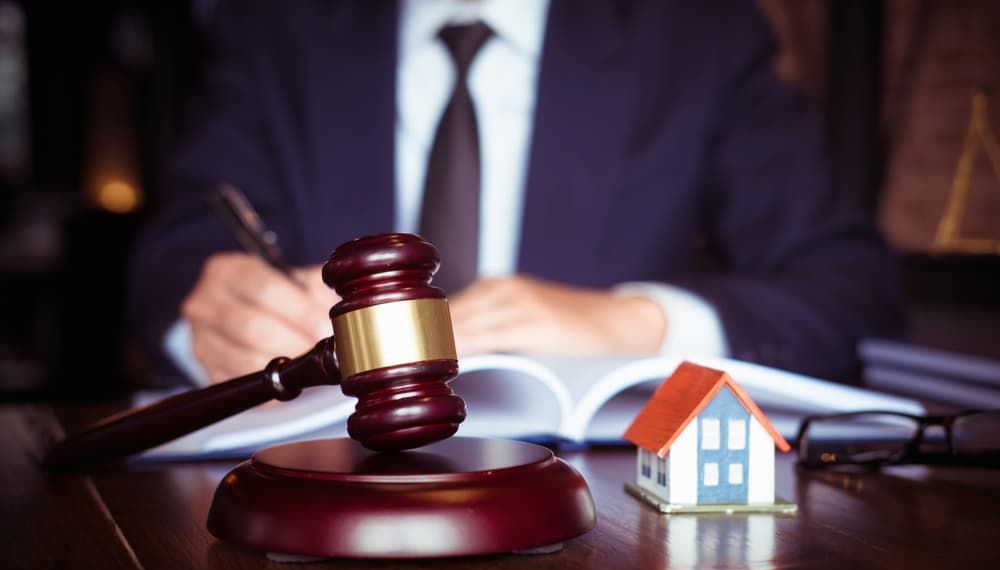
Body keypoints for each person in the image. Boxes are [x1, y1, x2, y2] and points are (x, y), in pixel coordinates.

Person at [129, 0, 903, 388]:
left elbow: (849, 290)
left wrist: (636, 321)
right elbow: (183, 238)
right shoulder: (275, 29)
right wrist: (215, 309)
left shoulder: (699, 33)